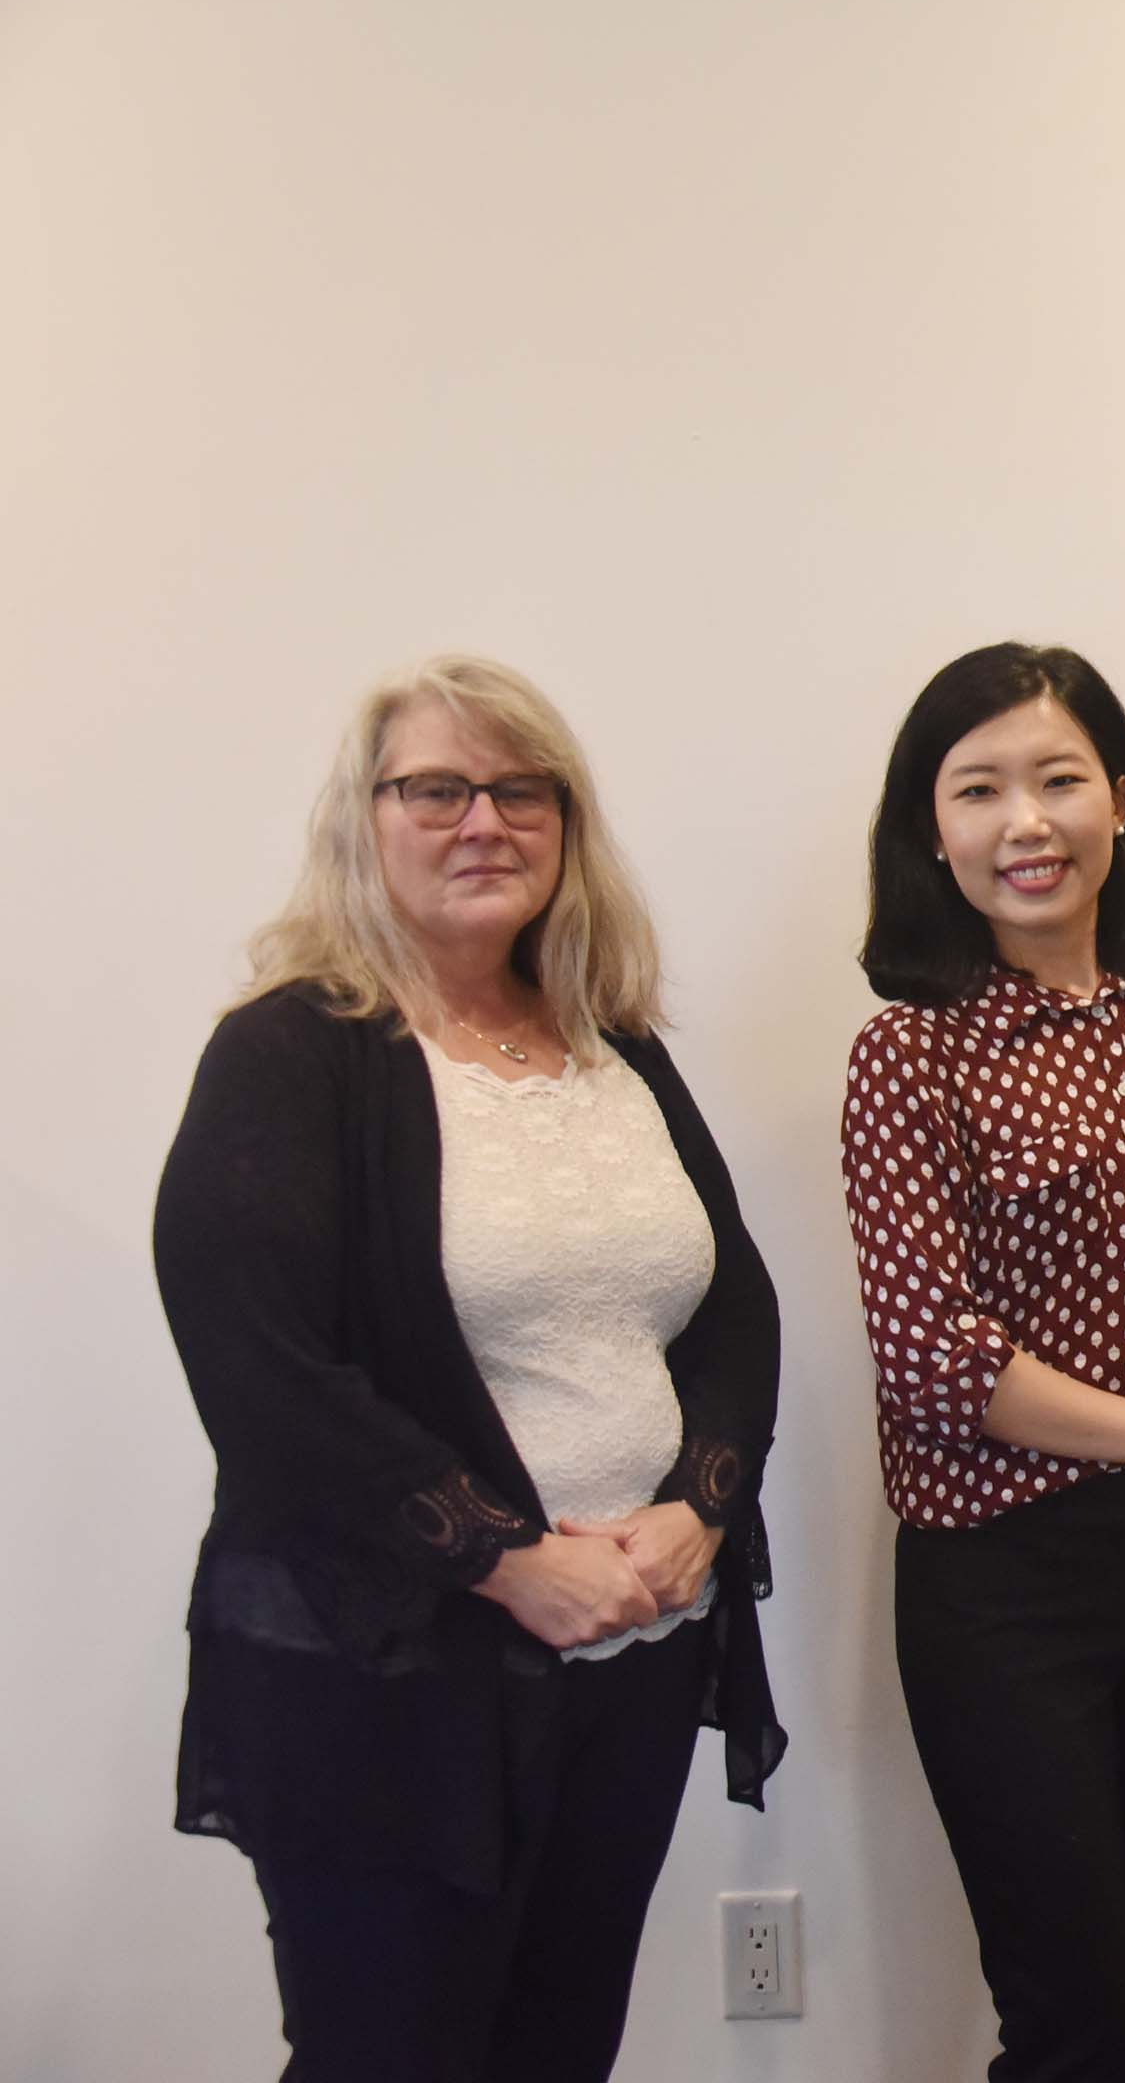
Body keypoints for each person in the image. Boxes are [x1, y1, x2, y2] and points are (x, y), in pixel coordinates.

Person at [154, 656, 783, 2081]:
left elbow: (734, 1308)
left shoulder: (613, 1048)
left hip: (631, 1652)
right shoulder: (294, 1052)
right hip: (393, 1671)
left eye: (519, 790)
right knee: (393, 2055)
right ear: (365, 821)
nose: (481, 820)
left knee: (557, 2051)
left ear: (569, 825)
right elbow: (262, 1373)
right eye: (436, 788)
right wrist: (509, 1560)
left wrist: (700, 1507)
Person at [843, 641, 1125, 2081]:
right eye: (977, 789)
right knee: (1071, 2014)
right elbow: (931, 1352)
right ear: (933, 830)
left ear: (1121, 796)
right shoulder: (909, 1054)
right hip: (1008, 1582)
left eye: (1055, 779)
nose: (1022, 822)